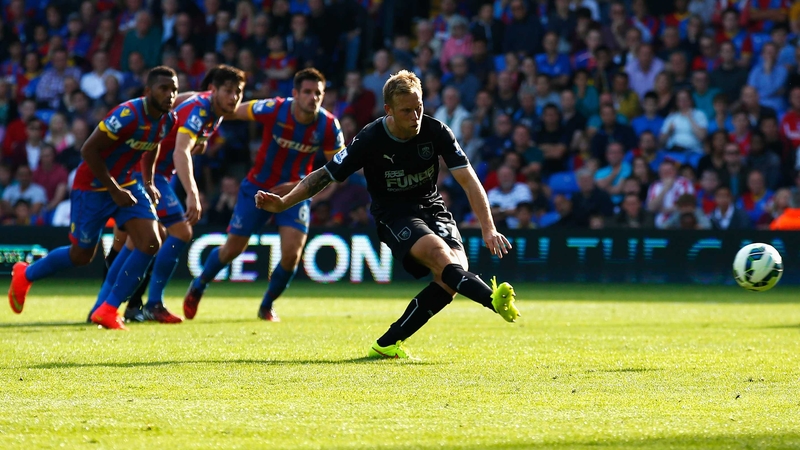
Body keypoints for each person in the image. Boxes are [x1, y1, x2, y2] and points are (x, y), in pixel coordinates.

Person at [254, 70, 519, 359]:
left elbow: (469, 180)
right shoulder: (370, 138)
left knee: (450, 278)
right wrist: (284, 202)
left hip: (433, 209)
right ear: (389, 110)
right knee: (443, 260)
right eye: (406, 111)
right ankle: (492, 301)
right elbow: (324, 175)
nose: (415, 116)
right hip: (394, 216)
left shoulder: (437, 131)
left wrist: (488, 228)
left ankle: (387, 343)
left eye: (419, 108)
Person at [8, 67, 179, 330]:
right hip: (92, 187)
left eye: (174, 89)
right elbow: (88, 149)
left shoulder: (168, 120)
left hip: (128, 183)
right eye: (164, 89)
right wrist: (113, 190)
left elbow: (152, 145)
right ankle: (25, 274)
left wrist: (148, 181)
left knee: (151, 241)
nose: (170, 95)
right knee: (81, 256)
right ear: (148, 91)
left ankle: (108, 309)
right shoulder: (127, 115)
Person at [183, 68, 344, 322]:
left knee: (292, 255)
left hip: (295, 195)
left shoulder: (328, 125)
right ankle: (199, 284)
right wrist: (203, 133)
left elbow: (338, 168)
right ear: (295, 94)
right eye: (307, 92)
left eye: (318, 93)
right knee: (232, 249)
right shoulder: (275, 108)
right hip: (256, 189)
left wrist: (298, 185)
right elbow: (231, 110)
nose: (313, 98)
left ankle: (267, 305)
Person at [92, 65, 246, 324]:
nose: (233, 97)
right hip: (149, 173)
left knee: (135, 242)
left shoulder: (207, 106)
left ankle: (102, 307)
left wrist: (199, 141)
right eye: (228, 91)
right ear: (214, 91)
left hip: (147, 170)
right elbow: (180, 151)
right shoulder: (203, 109)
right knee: (179, 232)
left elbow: (180, 107)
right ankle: (152, 304)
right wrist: (193, 194)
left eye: (238, 92)